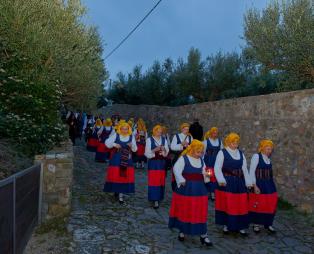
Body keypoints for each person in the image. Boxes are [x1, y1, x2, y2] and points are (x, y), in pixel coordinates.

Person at [169, 140, 213, 247]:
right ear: (192, 150)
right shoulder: (184, 159)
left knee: (200, 211)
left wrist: (207, 175)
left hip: (199, 190)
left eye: (201, 152)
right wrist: (181, 179)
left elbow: (205, 174)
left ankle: (203, 234)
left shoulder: (202, 161)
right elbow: (176, 169)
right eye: (198, 152)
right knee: (185, 209)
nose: (200, 154)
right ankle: (182, 231)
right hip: (186, 190)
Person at [214, 133, 252, 236]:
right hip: (227, 182)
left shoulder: (240, 153)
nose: (235, 145)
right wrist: (221, 180)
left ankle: (241, 226)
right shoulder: (222, 153)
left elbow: (244, 169)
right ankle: (227, 225)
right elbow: (217, 167)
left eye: (236, 143)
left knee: (241, 204)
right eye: (233, 143)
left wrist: (248, 182)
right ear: (228, 142)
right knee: (229, 204)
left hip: (239, 182)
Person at [103, 122, 137, 204]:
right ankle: (116, 190)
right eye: (123, 129)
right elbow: (107, 143)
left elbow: (135, 149)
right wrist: (114, 144)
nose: (124, 131)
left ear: (128, 129)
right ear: (120, 129)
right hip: (117, 159)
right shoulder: (116, 135)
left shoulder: (131, 137)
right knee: (116, 175)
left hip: (126, 159)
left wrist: (132, 145)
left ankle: (121, 195)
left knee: (123, 176)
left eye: (126, 129)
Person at [249, 139, 278, 234]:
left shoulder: (268, 159)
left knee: (271, 202)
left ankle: (268, 223)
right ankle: (256, 224)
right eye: (267, 149)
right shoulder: (256, 156)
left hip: (269, 183)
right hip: (259, 183)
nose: (269, 151)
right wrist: (254, 185)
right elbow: (252, 171)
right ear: (262, 148)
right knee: (259, 203)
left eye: (270, 149)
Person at [145, 125, 169, 209]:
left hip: (162, 163)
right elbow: (147, 153)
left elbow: (167, 152)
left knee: (160, 181)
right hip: (153, 163)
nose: (160, 133)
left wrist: (164, 150)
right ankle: (155, 199)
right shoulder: (149, 140)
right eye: (158, 132)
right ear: (154, 131)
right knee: (154, 181)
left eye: (161, 132)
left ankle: (159, 197)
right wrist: (154, 150)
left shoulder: (164, 140)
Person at [170, 123, 193, 190]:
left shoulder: (190, 137)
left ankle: (185, 188)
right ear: (182, 129)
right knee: (176, 172)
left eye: (188, 129)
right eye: (185, 129)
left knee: (185, 173)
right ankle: (175, 188)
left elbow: (192, 147)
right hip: (178, 157)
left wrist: (187, 146)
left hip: (187, 157)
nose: (186, 131)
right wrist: (181, 145)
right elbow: (172, 147)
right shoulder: (176, 136)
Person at [203, 127, 223, 200]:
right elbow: (203, 153)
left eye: (216, 133)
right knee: (208, 177)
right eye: (214, 133)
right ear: (211, 133)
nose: (215, 134)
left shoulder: (220, 142)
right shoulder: (206, 142)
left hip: (216, 164)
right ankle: (208, 192)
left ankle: (213, 193)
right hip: (208, 164)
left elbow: (221, 152)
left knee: (215, 179)